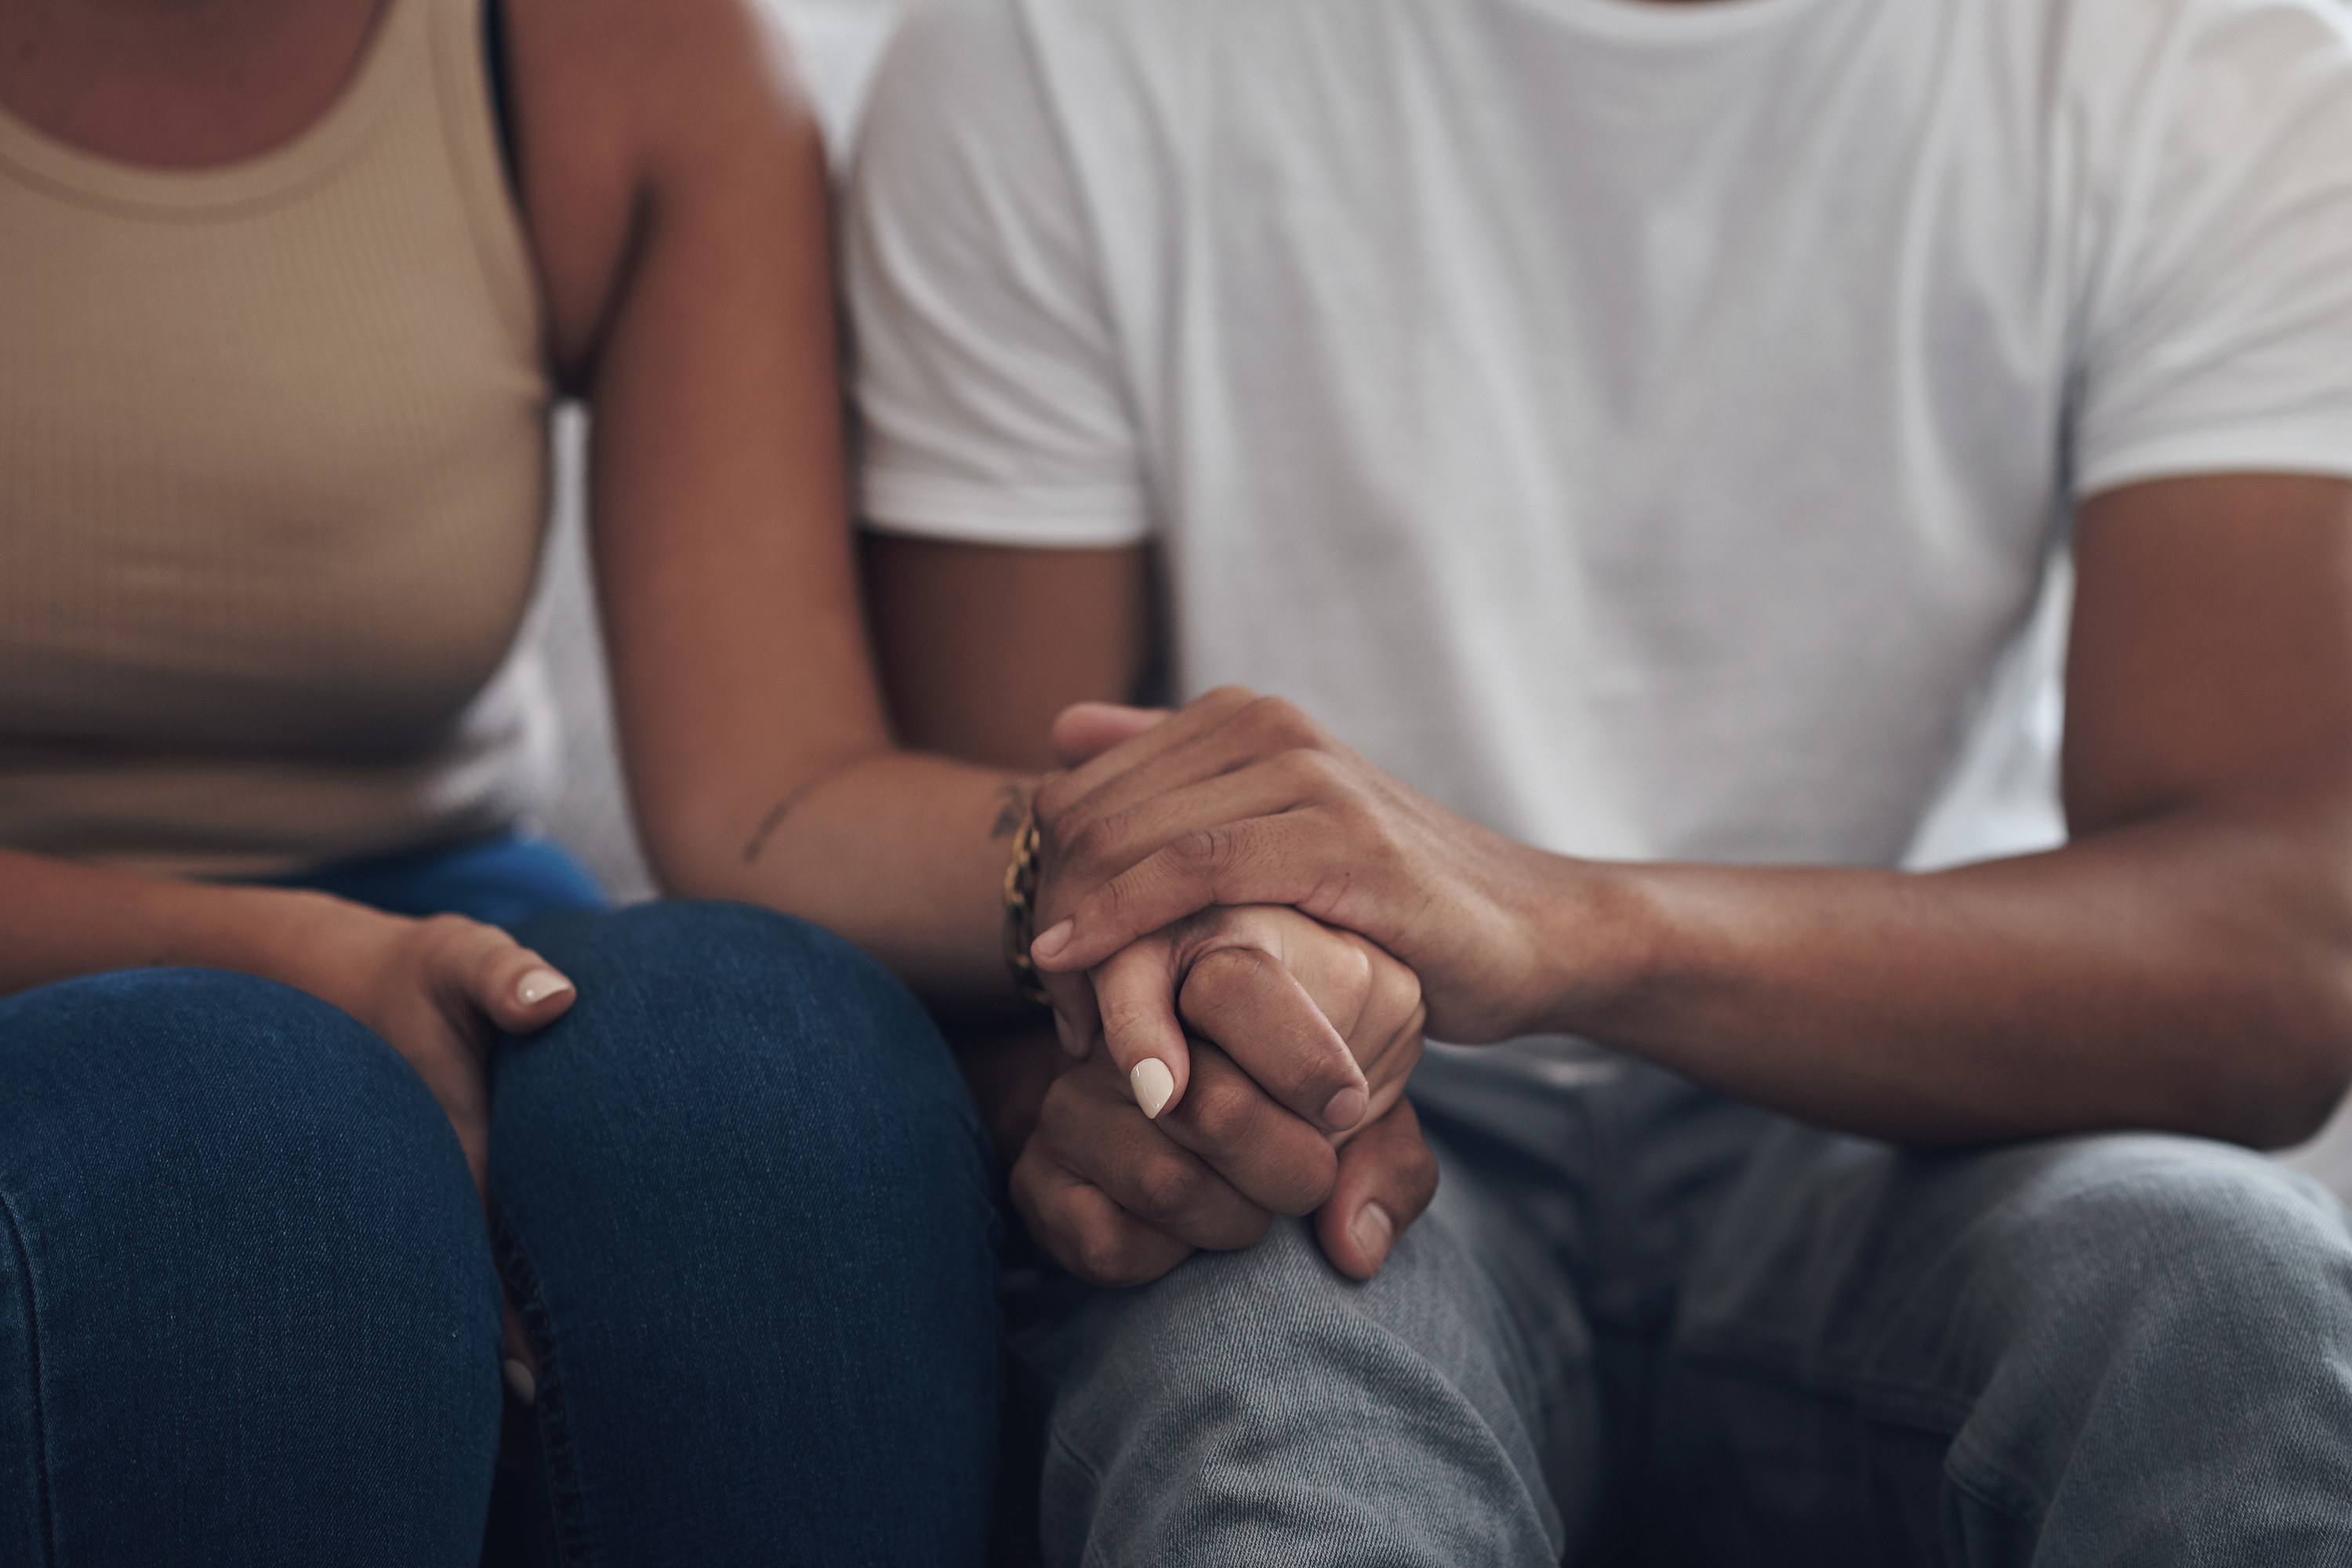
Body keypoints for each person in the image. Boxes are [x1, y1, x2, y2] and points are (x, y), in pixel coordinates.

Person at [847, 0, 2352, 1559]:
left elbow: (2274, 959)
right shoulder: (1057, 42)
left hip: (1912, 1106)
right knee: (1260, 1390)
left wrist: (1570, 930)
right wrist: (1159, 1099)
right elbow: (1024, 923)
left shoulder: (2186, 56)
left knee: (2231, 1297)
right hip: (1346, 1119)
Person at [0, 0, 1417, 1559]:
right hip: (97, 960)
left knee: (763, 1056)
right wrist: (286, 964)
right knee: (241, 1143)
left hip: (430, 910)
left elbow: (772, 796)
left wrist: (1162, 872)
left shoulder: (612, 51)